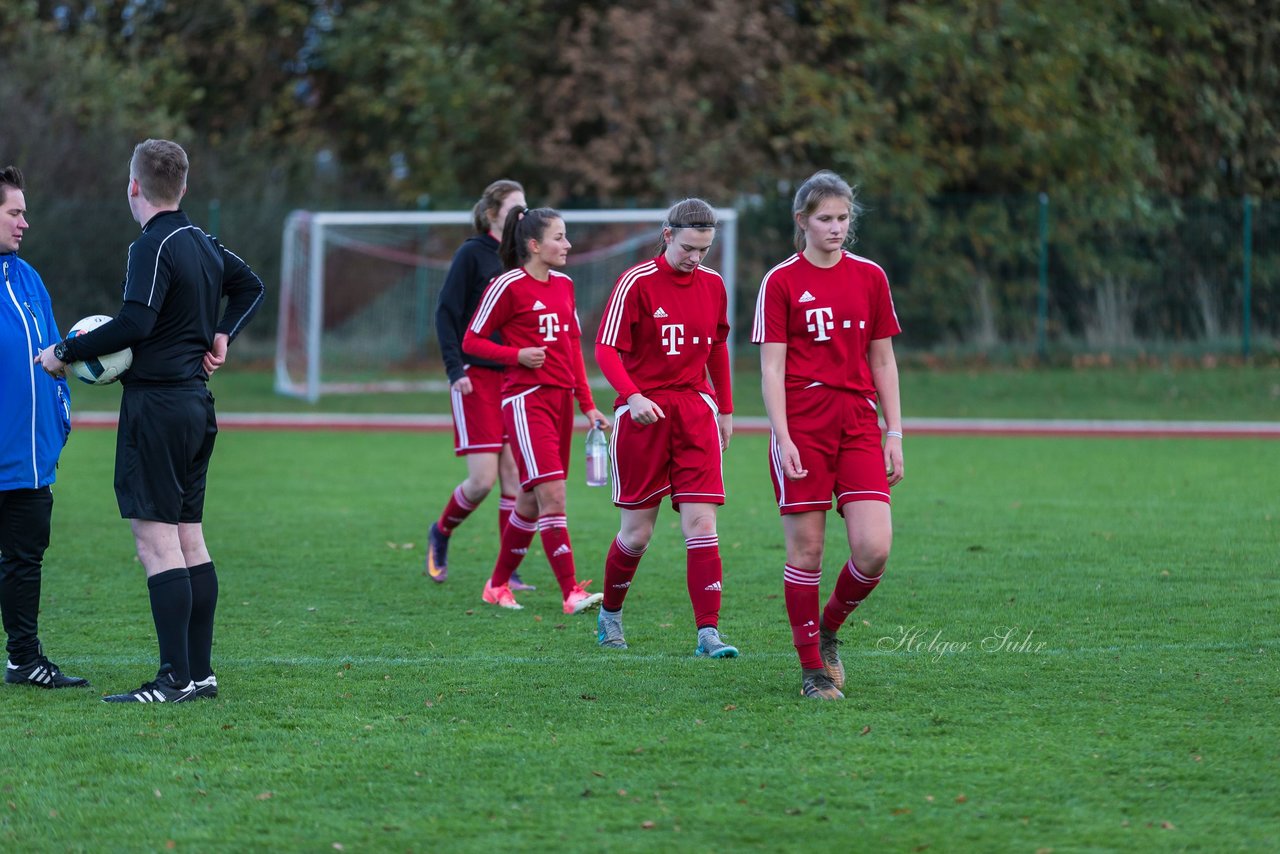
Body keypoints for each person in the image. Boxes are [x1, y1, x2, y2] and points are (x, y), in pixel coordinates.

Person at [37, 139, 264, 703]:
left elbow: (135, 323)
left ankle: (175, 678)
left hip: (158, 408)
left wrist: (64, 351)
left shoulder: (152, 246)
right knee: (189, 539)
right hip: (194, 404)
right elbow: (249, 285)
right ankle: (200, 674)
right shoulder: (202, 242)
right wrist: (222, 333)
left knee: (157, 543)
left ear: (133, 186)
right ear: (183, 188)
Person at [751, 170, 904, 701]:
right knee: (808, 552)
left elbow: (882, 360)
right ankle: (812, 670)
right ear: (802, 222)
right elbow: (771, 370)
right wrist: (783, 436)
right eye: (825, 219)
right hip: (803, 423)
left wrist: (895, 431)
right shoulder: (781, 280)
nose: (836, 228)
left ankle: (829, 627)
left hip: (859, 422)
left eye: (843, 218)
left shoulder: (870, 277)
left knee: (874, 549)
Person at [592, 198, 738, 658]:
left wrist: (726, 409)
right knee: (637, 533)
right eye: (690, 248)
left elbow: (716, 349)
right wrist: (633, 397)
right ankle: (610, 615)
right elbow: (605, 349)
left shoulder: (713, 284)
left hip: (696, 411)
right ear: (668, 235)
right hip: (643, 415)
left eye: (706, 249)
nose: (697, 258)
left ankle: (708, 633)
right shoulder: (636, 282)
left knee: (701, 523)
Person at [462, 206, 609, 614]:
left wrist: (588, 405)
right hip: (526, 400)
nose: (568, 244)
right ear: (533, 245)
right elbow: (472, 341)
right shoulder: (507, 285)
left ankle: (496, 585)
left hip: (562, 400)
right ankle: (571, 591)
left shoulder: (564, 284)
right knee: (553, 494)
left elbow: (573, 350)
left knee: (530, 499)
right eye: (559, 237)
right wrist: (516, 354)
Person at [0, 166, 87, 690]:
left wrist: (60, 418)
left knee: (25, 562)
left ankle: (24, 660)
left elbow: (55, 356)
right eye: (15, 212)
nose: (25, 223)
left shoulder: (29, 278)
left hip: (31, 459)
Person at [427, 179, 534, 590]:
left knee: (515, 478)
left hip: (515, 378)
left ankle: (506, 572)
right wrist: (456, 371)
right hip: (476, 378)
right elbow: (446, 313)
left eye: (526, 209)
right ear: (491, 214)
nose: (522, 216)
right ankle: (441, 532)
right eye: (514, 209)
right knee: (482, 480)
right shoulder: (473, 254)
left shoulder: (524, 257)